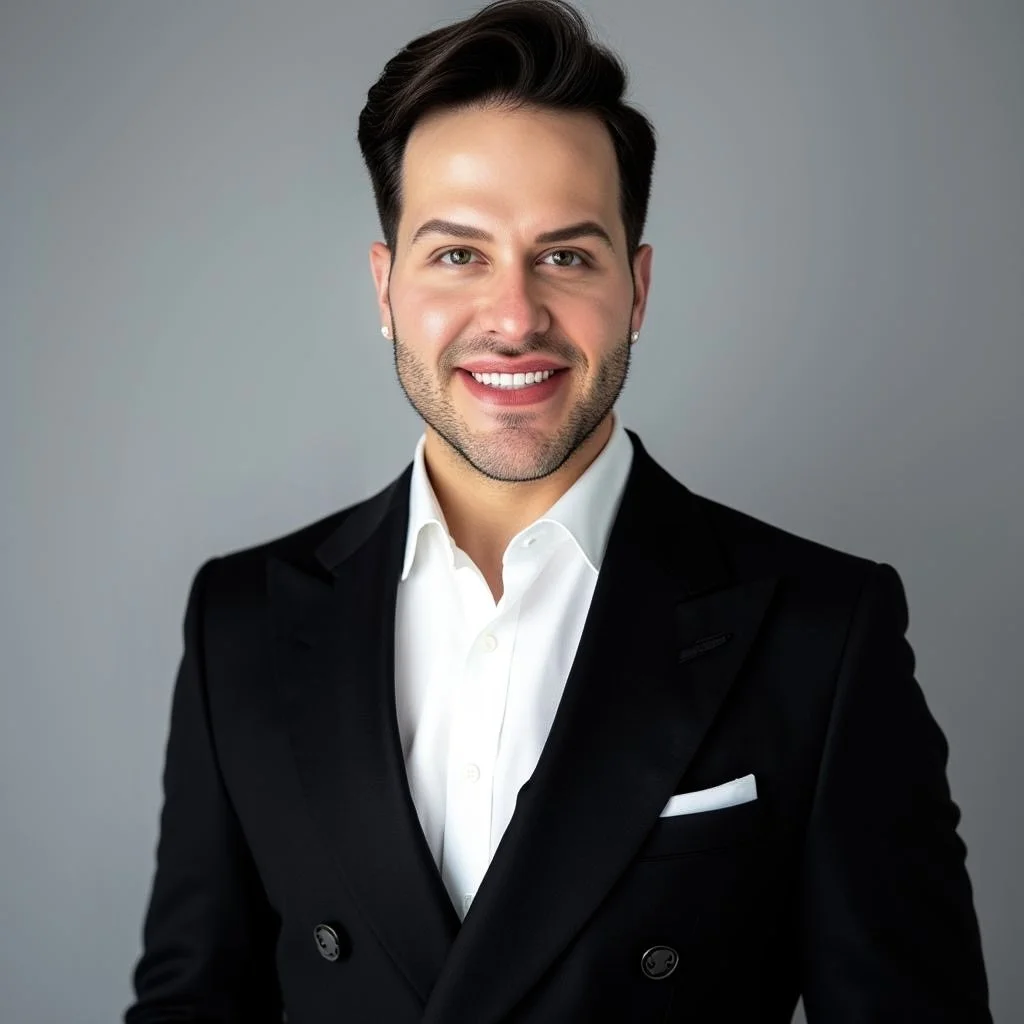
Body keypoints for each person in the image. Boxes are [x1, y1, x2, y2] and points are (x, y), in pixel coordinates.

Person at [124, 1, 992, 1021]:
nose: (513, 316)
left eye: (567, 256)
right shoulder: (241, 621)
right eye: (458, 255)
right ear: (385, 288)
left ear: (638, 288)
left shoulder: (822, 631)